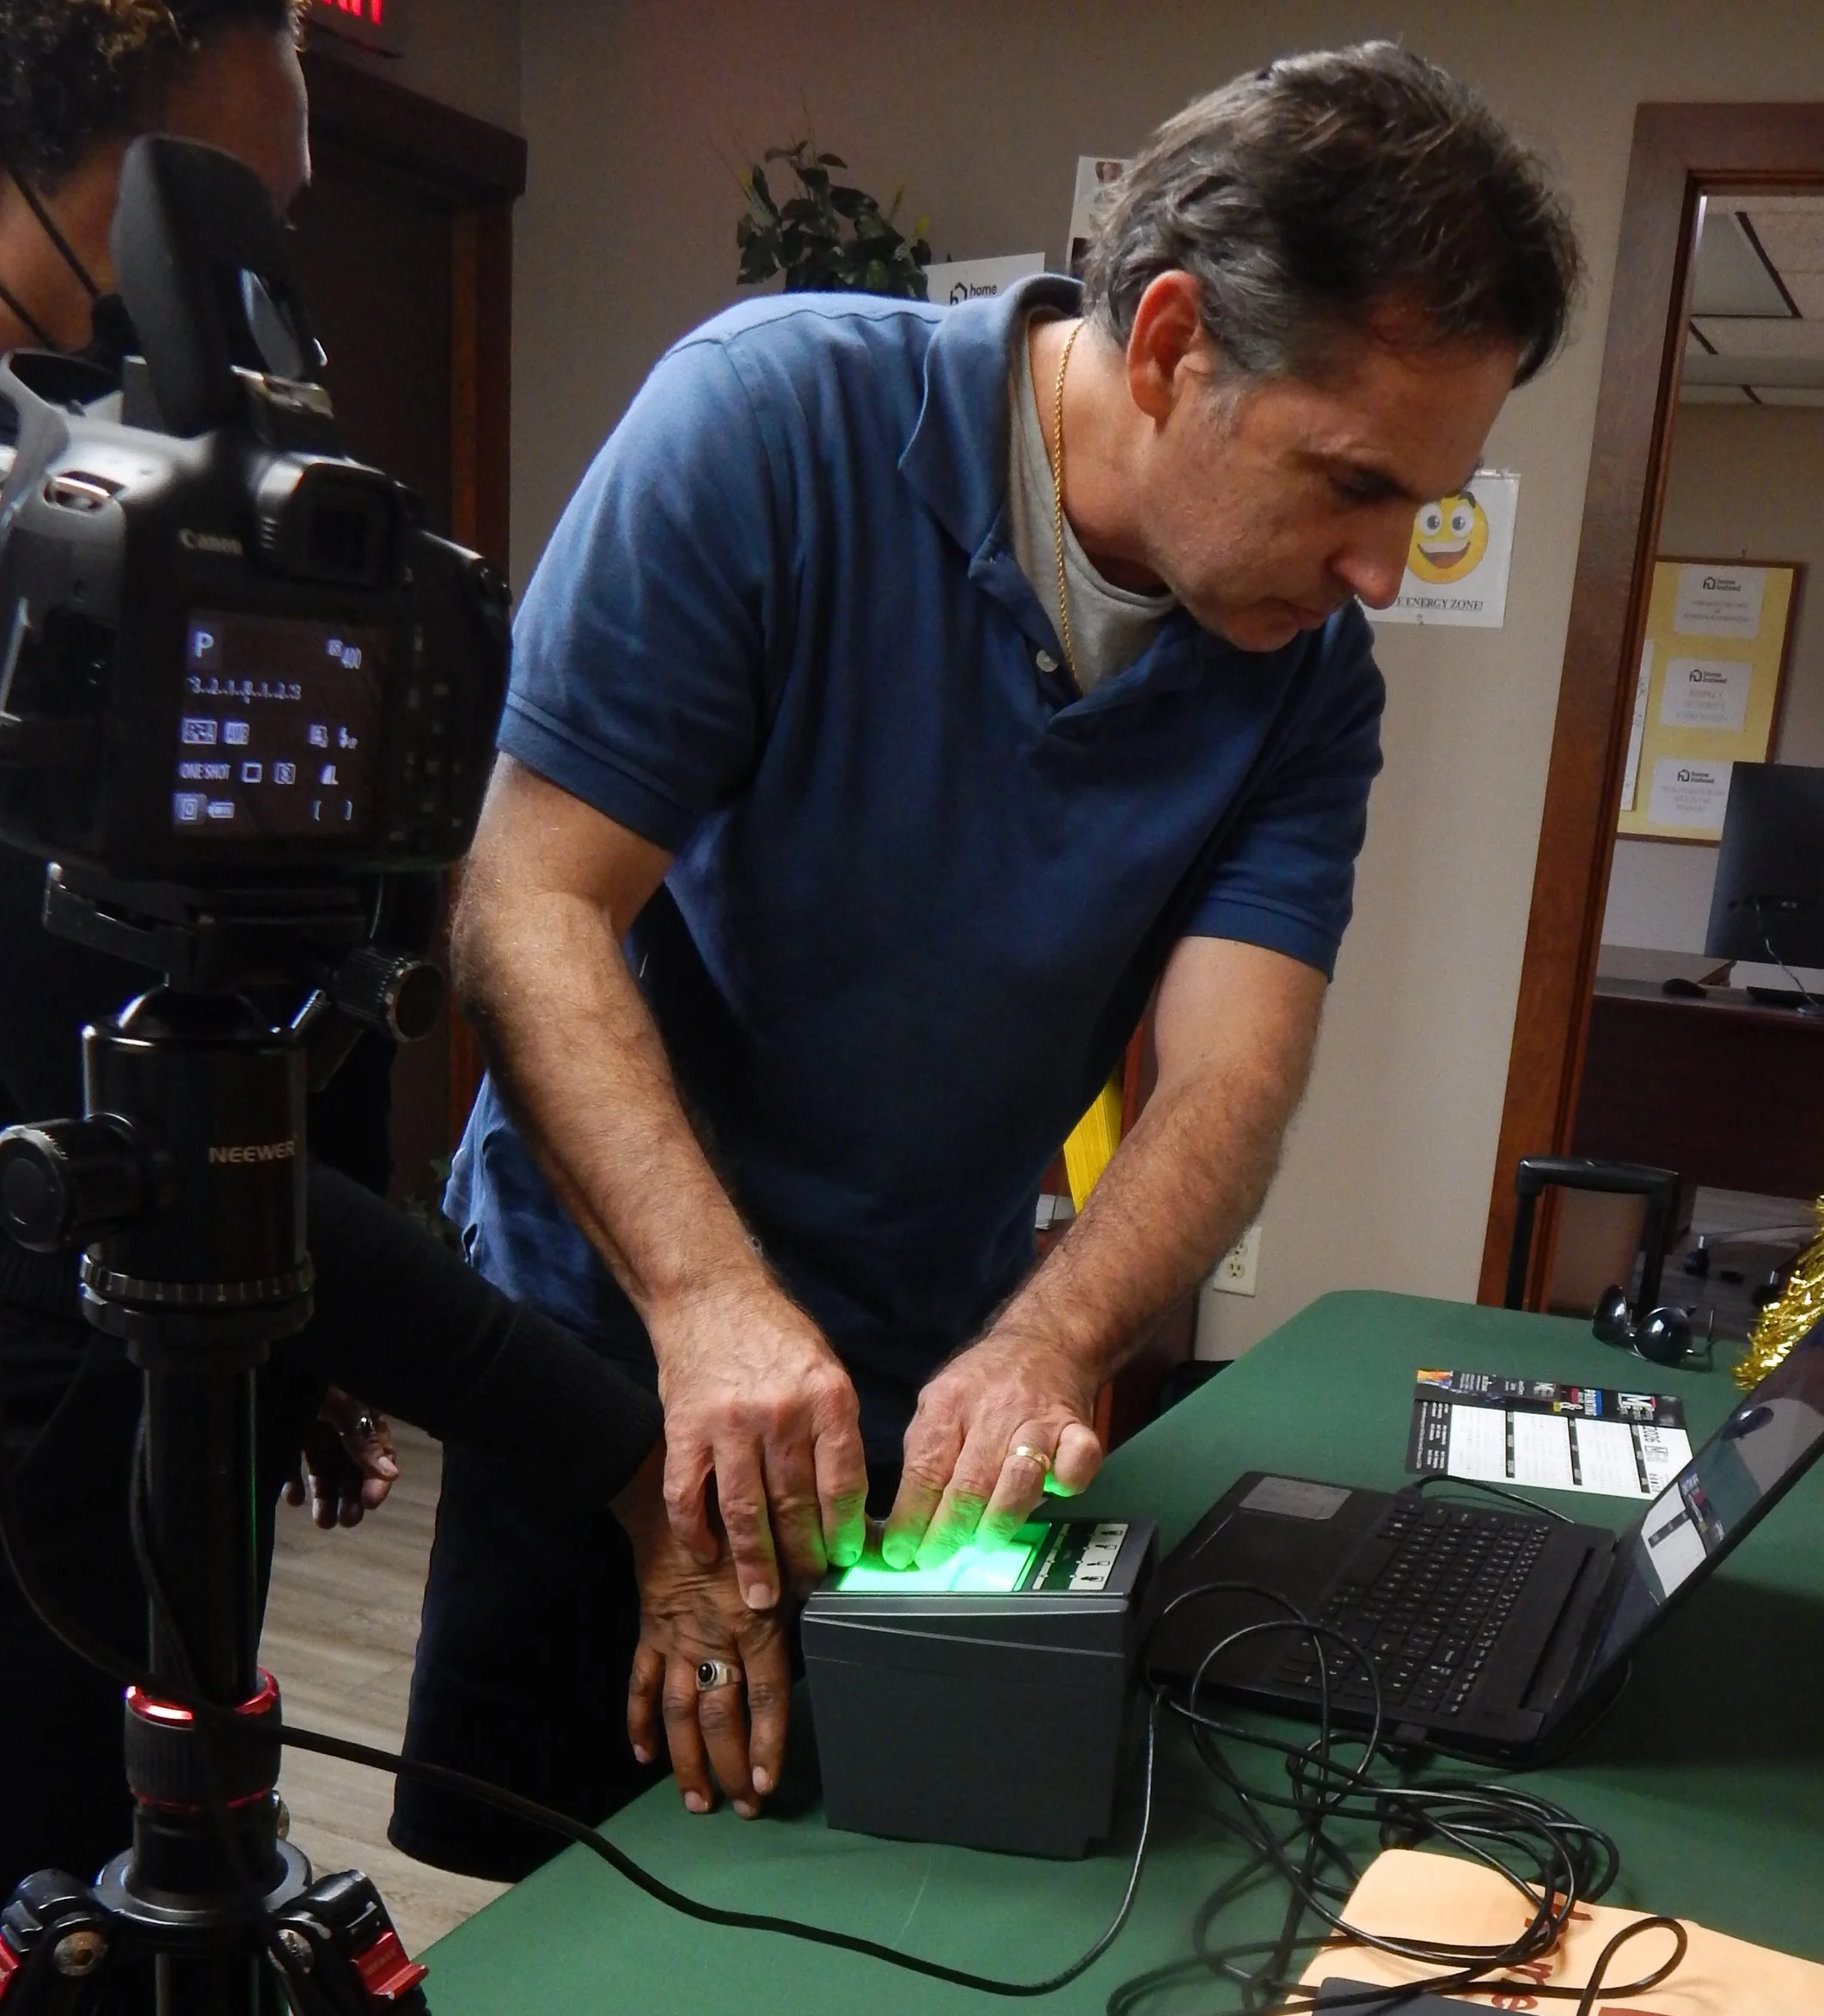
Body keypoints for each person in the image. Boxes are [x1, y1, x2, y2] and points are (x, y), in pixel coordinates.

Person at [398, 43, 1582, 1877]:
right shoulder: (767, 427)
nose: (1381, 572)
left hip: (916, 1354)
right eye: (1351, 481)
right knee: (570, 1903)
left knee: (852, 1878)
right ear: (1173, 341)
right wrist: (705, 1311)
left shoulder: (1299, 686)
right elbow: (529, 904)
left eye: (1421, 504)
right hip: (610, 1328)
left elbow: (1227, 1076)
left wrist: (1047, 1337)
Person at [0, 15, 744, 2016]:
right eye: (270, 135)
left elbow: (244, 1042)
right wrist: (614, 1431)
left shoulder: (140, 497)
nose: (286, 215)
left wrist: (289, 1327)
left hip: (139, 1446)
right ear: (127, 116)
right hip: (42, 1443)